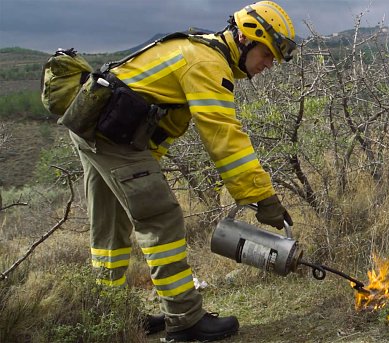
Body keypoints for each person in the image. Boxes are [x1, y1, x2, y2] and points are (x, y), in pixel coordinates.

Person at [65, 1, 296, 341]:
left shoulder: (200, 49)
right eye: (266, 54)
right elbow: (225, 140)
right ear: (246, 40)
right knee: (161, 219)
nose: (268, 65)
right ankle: (185, 320)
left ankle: (109, 315)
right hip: (113, 139)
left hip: (93, 129)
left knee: (110, 228)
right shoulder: (207, 63)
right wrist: (263, 198)